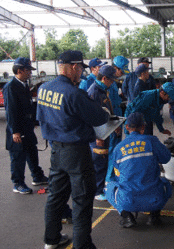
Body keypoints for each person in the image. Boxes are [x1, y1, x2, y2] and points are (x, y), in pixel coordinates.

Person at [37, 50, 110, 249]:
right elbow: (99, 118)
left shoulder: (44, 88)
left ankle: (50, 240)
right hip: (77, 153)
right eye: (81, 70)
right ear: (75, 67)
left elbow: (41, 117)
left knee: (55, 196)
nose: (81, 75)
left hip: (56, 151)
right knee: (82, 199)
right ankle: (82, 245)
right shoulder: (74, 93)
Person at [106, 112, 172, 227]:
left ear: (127, 127)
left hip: (128, 201)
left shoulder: (118, 148)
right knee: (166, 183)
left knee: (110, 186)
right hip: (154, 200)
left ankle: (126, 216)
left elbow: (118, 173)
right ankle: (154, 215)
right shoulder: (151, 141)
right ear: (143, 127)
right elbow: (166, 158)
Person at [3, 57, 48, 194]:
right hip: (18, 128)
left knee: (32, 152)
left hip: (27, 126)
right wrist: (15, 131)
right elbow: (11, 111)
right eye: (28, 70)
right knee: (18, 157)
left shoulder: (24, 85)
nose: (30, 73)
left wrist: (33, 121)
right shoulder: (11, 87)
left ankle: (37, 176)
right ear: (20, 70)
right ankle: (18, 183)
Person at [87, 65, 117, 201]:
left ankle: (99, 187)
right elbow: (91, 117)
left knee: (102, 161)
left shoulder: (102, 90)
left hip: (104, 131)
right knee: (99, 162)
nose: (113, 83)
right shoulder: (94, 92)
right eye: (111, 80)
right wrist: (97, 136)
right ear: (104, 78)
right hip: (99, 134)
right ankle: (97, 191)